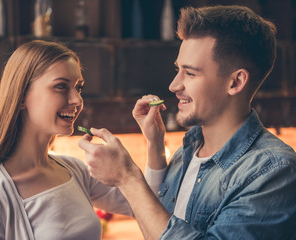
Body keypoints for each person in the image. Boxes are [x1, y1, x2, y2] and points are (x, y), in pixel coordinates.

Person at [78, 5, 296, 239]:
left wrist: (128, 178)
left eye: (190, 73)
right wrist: (155, 145)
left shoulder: (274, 171)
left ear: (235, 82)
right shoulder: (188, 151)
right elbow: (158, 226)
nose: (174, 85)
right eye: (178, 70)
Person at [0, 40, 133, 239]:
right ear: (22, 96)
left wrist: (153, 143)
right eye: (61, 86)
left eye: (78, 88)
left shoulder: (76, 171)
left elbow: (145, 204)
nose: (77, 100)